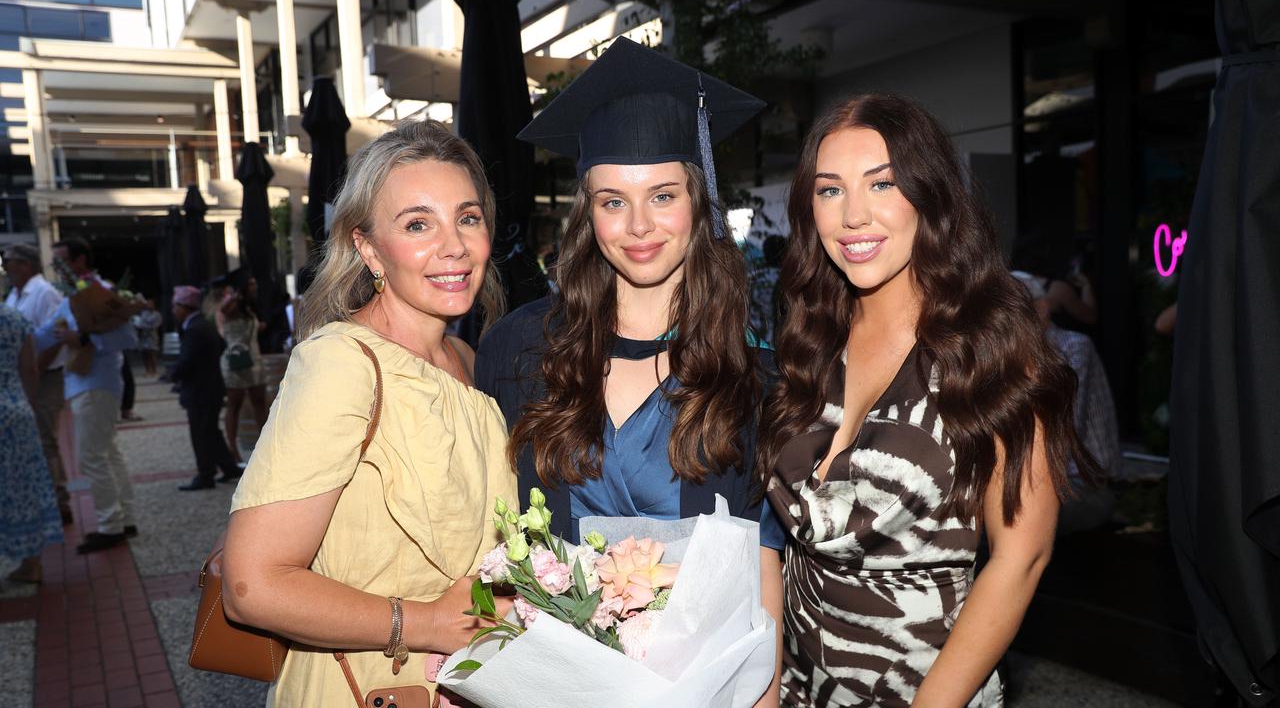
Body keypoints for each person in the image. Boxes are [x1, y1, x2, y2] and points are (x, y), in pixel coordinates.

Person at [758, 94, 1098, 707]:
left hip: (925, 686)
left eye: (882, 184)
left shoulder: (991, 348)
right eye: (830, 190)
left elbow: (1022, 557)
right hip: (795, 685)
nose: (853, 215)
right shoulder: (808, 341)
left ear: (930, 195)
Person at [474, 37, 784, 706]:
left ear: (698, 201)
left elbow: (763, 553)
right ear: (587, 212)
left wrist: (765, 693)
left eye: (662, 195)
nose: (638, 225)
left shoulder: (752, 365)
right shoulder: (520, 351)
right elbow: (484, 530)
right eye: (612, 201)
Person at [221, 120, 517, 707]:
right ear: (367, 247)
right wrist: (426, 623)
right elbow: (252, 586)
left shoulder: (463, 357)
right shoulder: (342, 364)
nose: (453, 245)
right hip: (368, 689)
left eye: (467, 217)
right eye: (417, 224)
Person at [34, 237, 139, 554]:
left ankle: (111, 526)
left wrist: (78, 336)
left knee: (92, 456)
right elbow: (45, 334)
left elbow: (126, 337)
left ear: (80, 261)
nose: (57, 267)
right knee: (107, 452)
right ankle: (124, 517)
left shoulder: (99, 292)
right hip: (89, 383)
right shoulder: (75, 295)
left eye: (61, 261)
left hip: (96, 383)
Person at [1013, 270, 1120, 531]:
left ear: (1041, 309)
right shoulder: (1011, 353)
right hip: (1038, 483)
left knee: (1011, 524)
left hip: (1083, 487)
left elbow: (1060, 430)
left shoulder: (1073, 346)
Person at [3, 243, 72, 524]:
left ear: (26, 265)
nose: (4, 266)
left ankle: (59, 501)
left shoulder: (44, 293)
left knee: (46, 441)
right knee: (36, 441)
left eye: (8, 260)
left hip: (44, 377)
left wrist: (34, 371)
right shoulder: (14, 294)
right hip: (25, 379)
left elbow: (57, 335)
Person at [0, 303, 63, 583]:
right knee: (24, 488)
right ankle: (32, 564)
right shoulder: (16, 318)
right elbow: (30, 369)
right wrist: (28, 401)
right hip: (17, 409)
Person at [170, 286, 241, 491]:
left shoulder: (194, 328)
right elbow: (221, 345)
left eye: (175, 306)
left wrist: (174, 374)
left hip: (200, 390)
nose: (173, 310)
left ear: (184, 307)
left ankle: (205, 474)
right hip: (211, 387)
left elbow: (187, 360)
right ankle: (228, 466)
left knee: (201, 432)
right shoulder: (203, 324)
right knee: (210, 430)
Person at [216, 270, 267, 465]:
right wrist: (234, 295)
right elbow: (223, 312)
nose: (255, 287)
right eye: (251, 283)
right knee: (234, 404)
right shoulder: (233, 305)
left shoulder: (249, 307)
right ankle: (233, 450)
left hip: (254, 358)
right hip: (235, 360)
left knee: (259, 403)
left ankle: (264, 447)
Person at [131, 299, 162, 376]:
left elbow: (156, 325)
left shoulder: (157, 314)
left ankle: (154, 370)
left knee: (152, 353)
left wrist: (144, 326)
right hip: (143, 336)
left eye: (151, 304)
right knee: (145, 354)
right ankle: (147, 370)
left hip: (152, 336)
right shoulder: (143, 313)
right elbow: (140, 323)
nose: (149, 306)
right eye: (148, 304)